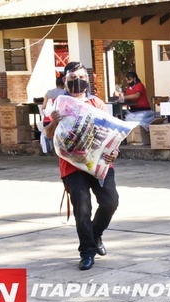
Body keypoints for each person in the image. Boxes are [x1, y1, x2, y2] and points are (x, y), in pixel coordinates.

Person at [44, 61, 120, 271]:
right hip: (72, 165)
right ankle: (87, 252)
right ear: (64, 81)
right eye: (72, 78)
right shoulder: (55, 103)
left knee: (110, 202)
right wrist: (55, 121)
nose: (77, 81)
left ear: (88, 79)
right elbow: (48, 134)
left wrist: (114, 152)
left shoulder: (97, 103)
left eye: (81, 77)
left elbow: (112, 133)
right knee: (82, 208)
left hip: (100, 162)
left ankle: (95, 235)